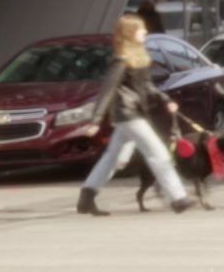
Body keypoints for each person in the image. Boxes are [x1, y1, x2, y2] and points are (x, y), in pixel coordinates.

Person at [78, 17, 192, 216]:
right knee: (158, 153)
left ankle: (86, 197)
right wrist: (95, 120)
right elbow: (108, 90)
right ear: (130, 33)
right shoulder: (121, 60)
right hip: (128, 113)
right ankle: (178, 198)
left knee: (113, 158)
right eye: (141, 30)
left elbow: (147, 86)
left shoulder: (139, 57)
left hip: (133, 113)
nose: (145, 33)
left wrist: (166, 100)